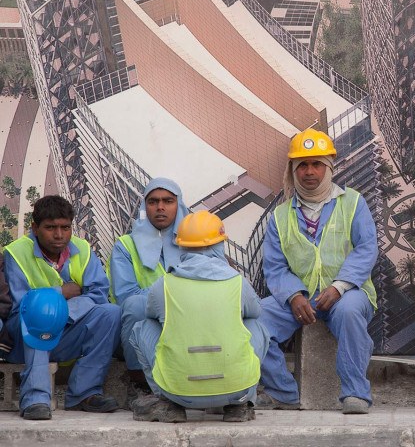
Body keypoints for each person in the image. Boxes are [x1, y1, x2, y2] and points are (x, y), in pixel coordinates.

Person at [256, 128, 378, 414]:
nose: (309, 172)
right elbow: (274, 266)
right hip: (302, 299)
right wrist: (293, 296)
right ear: (293, 170)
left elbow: (366, 249)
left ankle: (355, 394)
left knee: (348, 312)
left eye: (317, 164)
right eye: (302, 166)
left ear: (329, 167)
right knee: (255, 321)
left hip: (350, 294)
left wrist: (339, 287)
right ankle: (284, 393)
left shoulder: (353, 203)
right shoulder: (280, 216)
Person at [128, 210, 268, 423]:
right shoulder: (237, 282)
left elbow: (151, 315)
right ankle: (241, 404)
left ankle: (166, 402)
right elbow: (255, 312)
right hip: (234, 389)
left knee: (143, 327)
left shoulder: (164, 284)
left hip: (179, 392)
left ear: (180, 246)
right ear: (219, 245)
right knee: (256, 326)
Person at [3, 195, 120, 420]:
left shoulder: (83, 249)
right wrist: (60, 294)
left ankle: (85, 393)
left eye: (65, 227)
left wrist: (64, 313)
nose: (59, 235)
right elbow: (18, 307)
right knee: (40, 313)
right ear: (35, 228)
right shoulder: (16, 253)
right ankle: (35, 399)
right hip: (24, 338)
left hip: (66, 330)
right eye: (50, 228)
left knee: (111, 313)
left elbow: (98, 294)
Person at [107, 178, 189, 406]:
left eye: (168, 201)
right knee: (134, 305)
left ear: (179, 205)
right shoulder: (125, 245)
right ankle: (139, 383)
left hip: (188, 320)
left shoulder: (196, 241)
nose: (160, 207)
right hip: (149, 323)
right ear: (145, 207)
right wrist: (175, 293)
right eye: (153, 201)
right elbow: (126, 296)